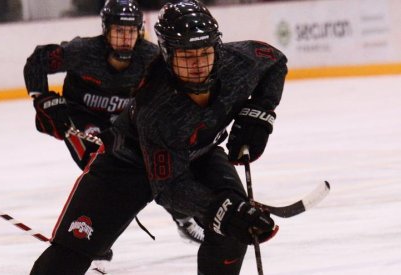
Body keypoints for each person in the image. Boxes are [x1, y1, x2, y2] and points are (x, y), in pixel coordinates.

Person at [30, 1, 287, 274]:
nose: (198, 65)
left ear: (217, 47)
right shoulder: (156, 107)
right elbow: (169, 188)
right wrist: (221, 210)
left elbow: (275, 62)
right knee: (70, 253)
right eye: (186, 57)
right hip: (127, 164)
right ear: (167, 54)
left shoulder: (239, 61)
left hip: (200, 153)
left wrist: (258, 115)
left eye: (204, 53)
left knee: (232, 233)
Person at [23, 0, 204, 248]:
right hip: (81, 119)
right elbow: (38, 60)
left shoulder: (151, 58)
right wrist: (41, 98)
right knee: (100, 169)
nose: (125, 38)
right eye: (119, 31)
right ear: (106, 30)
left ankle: (183, 217)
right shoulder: (82, 51)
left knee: (157, 165)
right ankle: (95, 239)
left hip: (126, 122)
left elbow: (173, 90)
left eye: (131, 31)